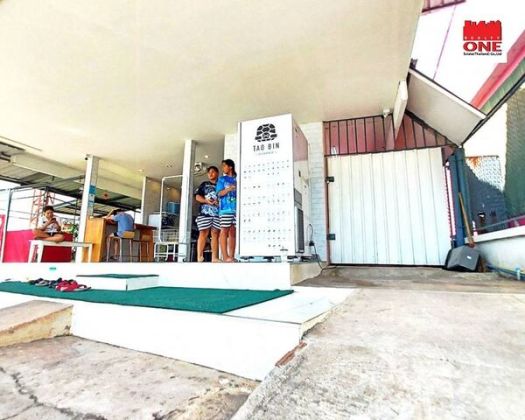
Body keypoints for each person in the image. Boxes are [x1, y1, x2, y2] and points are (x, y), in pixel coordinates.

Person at [194, 166, 221, 262]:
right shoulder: (204, 184)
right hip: (204, 213)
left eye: (212, 172)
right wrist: (206, 201)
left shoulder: (221, 185)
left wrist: (219, 203)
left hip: (217, 214)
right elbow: (197, 197)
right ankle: (199, 257)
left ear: (217, 173)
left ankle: (214, 258)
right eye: (209, 172)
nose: (210, 174)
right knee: (203, 233)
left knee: (215, 234)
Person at [216, 159, 237, 262]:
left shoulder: (237, 179)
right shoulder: (222, 179)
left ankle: (231, 257)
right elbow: (219, 194)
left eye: (224, 166)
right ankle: (225, 256)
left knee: (233, 232)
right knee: (224, 231)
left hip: (237, 210)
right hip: (225, 210)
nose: (222, 168)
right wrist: (229, 189)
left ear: (230, 167)